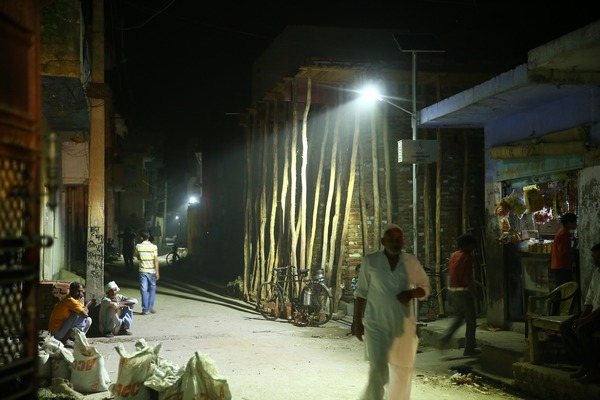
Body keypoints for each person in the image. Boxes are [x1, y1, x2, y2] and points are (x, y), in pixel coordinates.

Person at [354, 224, 430, 400]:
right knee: (377, 370)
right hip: (376, 325)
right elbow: (361, 293)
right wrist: (357, 322)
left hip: (402, 327)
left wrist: (411, 293)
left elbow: (425, 288)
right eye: (391, 240)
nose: (395, 243)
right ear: (383, 242)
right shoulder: (370, 261)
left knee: (402, 372)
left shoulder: (410, 262)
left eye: (398, 240)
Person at [559, 242, 600, 384]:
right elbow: (589, 301)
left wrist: (583, 321)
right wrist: (581, 318)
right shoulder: (597, 273)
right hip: (593, 312)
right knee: (566, 326)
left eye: (598, 257)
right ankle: (584, 363)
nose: (595, 260)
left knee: (582, 330)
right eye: (594, 257)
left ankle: (594, 369)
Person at [439, 234, 481, 356]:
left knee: (459, 318)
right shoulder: (467, 257)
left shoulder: (454, 255)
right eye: (472, 245)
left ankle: (445, 338)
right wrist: (474, 293)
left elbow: (452, 273)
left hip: (452, 290)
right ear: (468, 245)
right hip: (463, 291)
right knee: (471, 320)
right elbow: (466, 277)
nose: (474, 247)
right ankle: (469, 348)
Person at [48, 281, 93, 347]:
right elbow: (85, 314)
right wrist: (87, 305)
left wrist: (85, 308)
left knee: (88, 320)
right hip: (56, 333)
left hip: (62, 331)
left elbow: (84, 312)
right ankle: (64, 341)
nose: (80, 294)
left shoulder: (74, 300)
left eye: (81, 292)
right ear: (71, 291)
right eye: (78, 291)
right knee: (77, 316)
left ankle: (75, 338)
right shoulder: (70, 300)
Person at [551, 213, 578, 288]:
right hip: (562, 267)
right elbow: (562, 253)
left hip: (560, 266)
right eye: (575, 222)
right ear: (569, 223)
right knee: (565, 289)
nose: (576, 224)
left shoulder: (563, 232)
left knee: (563, 288)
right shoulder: (563, 234)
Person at [135, 230, 159, 315]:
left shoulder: (138, 246)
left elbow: (138, 257)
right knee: (152, 288)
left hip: (142, 271)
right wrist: (157, 272)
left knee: (143, 290)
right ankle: (150, 306)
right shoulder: (154, 247)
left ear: (141, 237)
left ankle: (145, 309)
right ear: (148, 237)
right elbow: (156, 260)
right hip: (152, 271)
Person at [347, 264, 361, 336]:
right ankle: (354, 331)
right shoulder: (354, 280)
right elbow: (353, 287)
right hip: (357, 299)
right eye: (359, 272)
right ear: (356, 272)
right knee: (355, 315)